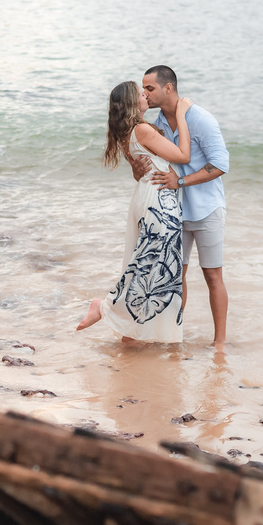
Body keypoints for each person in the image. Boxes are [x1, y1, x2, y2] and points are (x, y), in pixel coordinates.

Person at [77, 81, 192, 343]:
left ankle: (132, 334)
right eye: (141, 93)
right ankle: (104, 306)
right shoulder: (142, 130)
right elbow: (183, 155)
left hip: (147, 197)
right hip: (158, 201)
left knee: (147, 265)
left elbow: (141, 169)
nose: (146, 96)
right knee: (152, 266)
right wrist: (182, 115)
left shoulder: (127, 132)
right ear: (132, 102)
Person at [133, 65, 230, 348]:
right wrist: (137, 168)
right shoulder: (155, 126)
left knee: (212, 275)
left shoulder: (201, 119)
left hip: (207, 209)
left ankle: (219, 343)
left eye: (150, 88)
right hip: (173, 211)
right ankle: (175, 337)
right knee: (176, 275)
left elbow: (220, 164)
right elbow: (150, 167)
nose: (145, 94)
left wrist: (181, 182)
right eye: (143, 89)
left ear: (168, 88)